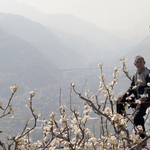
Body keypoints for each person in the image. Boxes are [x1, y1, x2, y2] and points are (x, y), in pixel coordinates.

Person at [117, 55, 150, 140]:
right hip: (137, 99)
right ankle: (121, 123)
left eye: (140, 62)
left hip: (146, 101)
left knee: (137, 117)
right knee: (119, 102)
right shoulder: (136, 74)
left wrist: (143, 99)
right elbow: (132, 88)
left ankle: (142, 138)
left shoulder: (147, 73)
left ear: (144, 63)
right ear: (135, 64)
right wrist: (123, 97)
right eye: (137, 62)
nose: (139, 64)